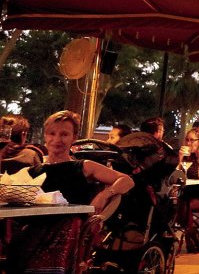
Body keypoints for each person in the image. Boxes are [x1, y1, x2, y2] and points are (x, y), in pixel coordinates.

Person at [6, 111, 134, 272]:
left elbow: (127, 181)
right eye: (52, 133)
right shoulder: (32, 171)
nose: (57, 139)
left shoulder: (83, 166)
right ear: (45, 136)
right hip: (33, 228)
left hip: (66, 230)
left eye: (64, 134)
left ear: (74, 138)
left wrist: (104, 194)